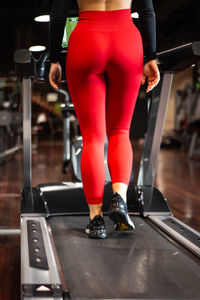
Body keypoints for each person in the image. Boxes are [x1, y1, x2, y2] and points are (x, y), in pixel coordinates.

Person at [49, 0, 160, 239]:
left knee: (92, 138)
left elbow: (58, 15)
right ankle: (119, 198)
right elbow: (147, 11)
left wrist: (54, 59)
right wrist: (151, 56)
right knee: (120, 131)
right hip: (126, 39)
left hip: (86, 39)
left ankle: (96, 220)